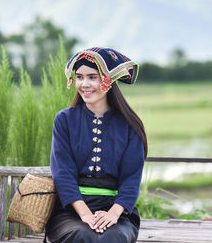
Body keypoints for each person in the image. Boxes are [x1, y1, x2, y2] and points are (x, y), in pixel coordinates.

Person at [45, 47, 148, 243]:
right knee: (81, 234)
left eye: (92, 77)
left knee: (112, 237)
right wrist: (85, 215)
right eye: (79, 77)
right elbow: (62, 173)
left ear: (108, 80)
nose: (84, 84)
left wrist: (113, 214)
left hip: (116, 211)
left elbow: (131, 178)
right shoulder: (64, 120)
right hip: (70, 211)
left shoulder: (130, 125)